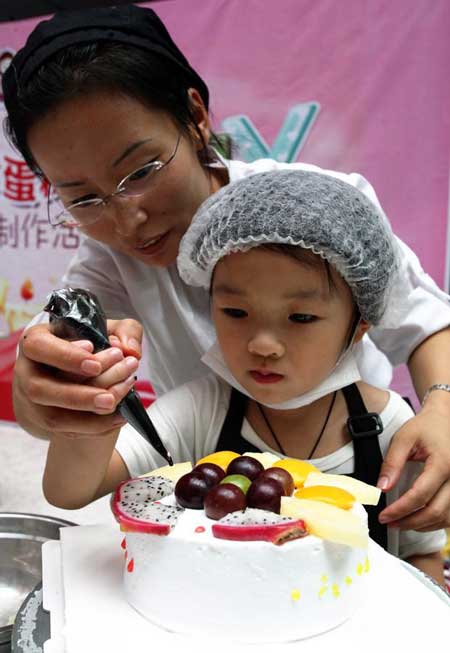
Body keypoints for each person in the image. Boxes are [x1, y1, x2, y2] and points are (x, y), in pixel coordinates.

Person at [2, 4, 450, 533]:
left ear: (194, 116)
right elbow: (57, 347)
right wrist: (46, 392)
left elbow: (425, 322)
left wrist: (441, 408)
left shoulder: (315, 209)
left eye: (141, 170)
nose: (129, 220)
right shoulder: (112, 264)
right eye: (83, 198)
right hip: (214, 486)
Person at [41, 170, 446, 583]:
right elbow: (68, 491)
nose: (263, 344)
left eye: (301, 317)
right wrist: (93, 410)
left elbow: (421, 557)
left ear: (360, 324)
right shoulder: (200, 409)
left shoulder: (393, 431)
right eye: (235, 312)